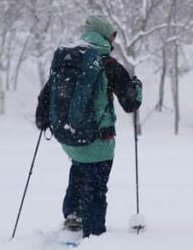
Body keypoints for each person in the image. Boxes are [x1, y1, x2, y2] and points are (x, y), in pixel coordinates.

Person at [35, 15, 142, 237]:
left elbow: (46, 97)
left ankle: (74, 215)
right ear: (105, 36)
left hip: (68, 138)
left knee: (78, 170)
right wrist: (137, 85)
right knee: (95, 187)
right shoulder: (107, 64)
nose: (114, 40)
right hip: (99, 140)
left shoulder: (69, 58)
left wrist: (47, 122)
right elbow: (131, 103)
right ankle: (94, 234)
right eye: (112, 35)